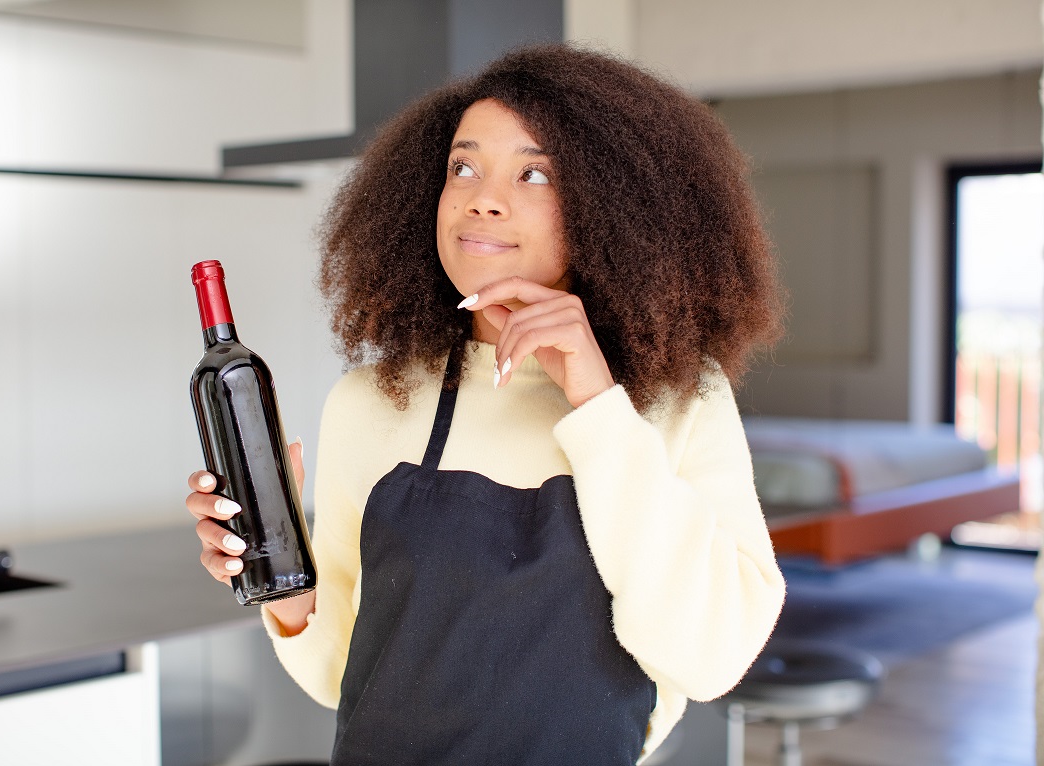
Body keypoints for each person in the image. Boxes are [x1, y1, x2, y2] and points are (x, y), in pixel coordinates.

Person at [186, 43, 786, 764]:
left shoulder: (677, 401)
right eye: (462, 167)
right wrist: (277, 585)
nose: (482, 197)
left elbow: (710, 657)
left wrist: (595, 401)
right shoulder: (370, 402)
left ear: (615, 209)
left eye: (534, 173)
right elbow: (345, 675)